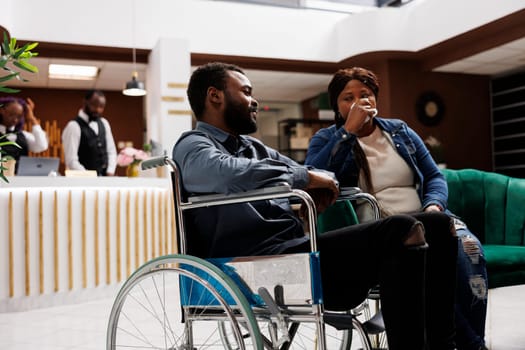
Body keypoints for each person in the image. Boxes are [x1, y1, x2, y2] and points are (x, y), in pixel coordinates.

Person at [173, 62, 459, 350]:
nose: (254, 100)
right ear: (215, 96)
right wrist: (305, 178)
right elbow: (228, 173)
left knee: (438, 224)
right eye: (246, 92)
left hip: (298, 250)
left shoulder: (254, 149)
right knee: (403, 229)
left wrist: (318, 184)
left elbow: (310, 170)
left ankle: (444, 345)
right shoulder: (193, 145)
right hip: (252, 264)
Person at [305, 67, 488, 350]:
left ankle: (467, 340)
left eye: (365, 95)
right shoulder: (326, 139)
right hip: (385, 228)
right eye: (347, 98)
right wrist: (348, 133)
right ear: (336, 106)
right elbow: (316, 176)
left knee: (468, 250)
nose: (358, 101)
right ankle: (469, 345)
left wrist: (434, 205)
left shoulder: (400, 130)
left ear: (375, 99)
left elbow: (434, 176)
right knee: (428, 263)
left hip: (430, 217)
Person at [62, 89, 117, 176]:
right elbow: (71, 161)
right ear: (85, 102)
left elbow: (111, 151)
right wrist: (89, 176)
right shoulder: (73, 126)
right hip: (84, 182)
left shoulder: (104, 123)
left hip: (105, 179)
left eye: (101, 106)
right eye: (95, 105)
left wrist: (110, 171)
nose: (98, 110)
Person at [0, 97, 48, 173]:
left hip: (21, 181)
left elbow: (42, 146)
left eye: (19, 116)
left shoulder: (24, 135)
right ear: (2, 111)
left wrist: (32, 118)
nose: (15, 119)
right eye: (11, 115)